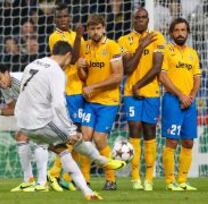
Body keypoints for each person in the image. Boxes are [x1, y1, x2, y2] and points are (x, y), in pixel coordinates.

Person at [15, 41, 125, 201]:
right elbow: (59, 104)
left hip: (23, 123)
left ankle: (88, 192)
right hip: (40, 122)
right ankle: (102, 161)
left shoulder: (33, 64)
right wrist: (70, 129)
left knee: (63, 151)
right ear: (68, 56)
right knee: (77, 139)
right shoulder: (56, 72)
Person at [118, 8, 166, 191]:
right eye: (137, 17)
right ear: (133, 20)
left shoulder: (157, 38)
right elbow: (128, 68)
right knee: (135, 129)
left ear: (148, 19)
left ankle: (149, 178)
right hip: (131, 94)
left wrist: (139, 85)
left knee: (150, 131)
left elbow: (157, 67)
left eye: (143, 17)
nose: (140, 20)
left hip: (151, 92)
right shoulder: (123, 41)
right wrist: (141, 46)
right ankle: (136, 177)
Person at [74, 15, 124, 191]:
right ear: (87, 30)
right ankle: (85, 180)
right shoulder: (85, 47)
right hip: (90, 101)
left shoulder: (112, 46)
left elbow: (117, 77)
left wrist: (93, 87)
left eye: (98, 28)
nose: (95, 32)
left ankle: (111, 179)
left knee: (99, 139)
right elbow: (83, 77)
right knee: (85, 139)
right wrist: (80, 67)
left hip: (108, 102)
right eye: (91, 29)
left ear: (103, 28)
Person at [47, 3, 90, 191]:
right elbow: (71, 59)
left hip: (79, 89)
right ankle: (54, 173)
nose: (63, 20)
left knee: (79, 134)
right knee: (73, 134)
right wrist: (80, 36)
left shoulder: (74, 35)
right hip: (67, 90)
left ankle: (67, 177)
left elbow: (79, 60)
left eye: (66, 16)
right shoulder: (55, 37)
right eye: (60, 17)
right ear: (55, 19)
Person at [0, 64, 49, 192]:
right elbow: (12, 109)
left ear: (7, 72)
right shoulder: (5, 87)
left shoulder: (22, 80)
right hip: (35, 111)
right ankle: (29, 181)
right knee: (21, 137)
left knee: (40, 140)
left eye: (0, 78)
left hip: (47, 107)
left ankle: (43, 183)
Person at [160, 18, 201, 191]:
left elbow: (197, 78)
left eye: (183, 30)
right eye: (176, 30)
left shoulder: (193, 53)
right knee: (171, 141)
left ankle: (182, 180)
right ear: (171, 33)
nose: (180, 33)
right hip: (172, 100)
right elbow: (162, 77)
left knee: (189, 142)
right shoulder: (166, 51)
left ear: (187, 32)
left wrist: (190, 96)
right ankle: (170, 182)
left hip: (189, 103)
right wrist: (181, 95)